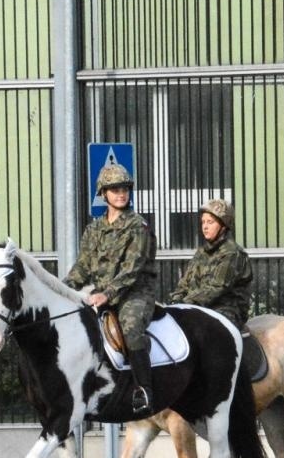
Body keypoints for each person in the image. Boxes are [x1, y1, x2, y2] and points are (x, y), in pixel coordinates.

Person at [65, 163, 159, 415]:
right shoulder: (94, 229)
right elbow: (82, 267)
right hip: (100, 294)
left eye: (125, 189)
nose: (121, 194)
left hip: (135, 293)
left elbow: (133, 268)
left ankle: (144, 391)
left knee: (129, 328)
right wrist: (63, 291)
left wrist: (106, 294)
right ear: (103, 193)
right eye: (115, 189)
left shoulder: (138, 226)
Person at [169, 198, 252, 329]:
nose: (205, 227)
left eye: (210, 222)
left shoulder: (232, 253)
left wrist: (185, 302)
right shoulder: (201, 252)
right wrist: (175, 301)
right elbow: (185, 282)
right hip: (198, 307)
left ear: (223, 226)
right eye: (203, 222)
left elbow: (217, 288)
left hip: (227, 310)